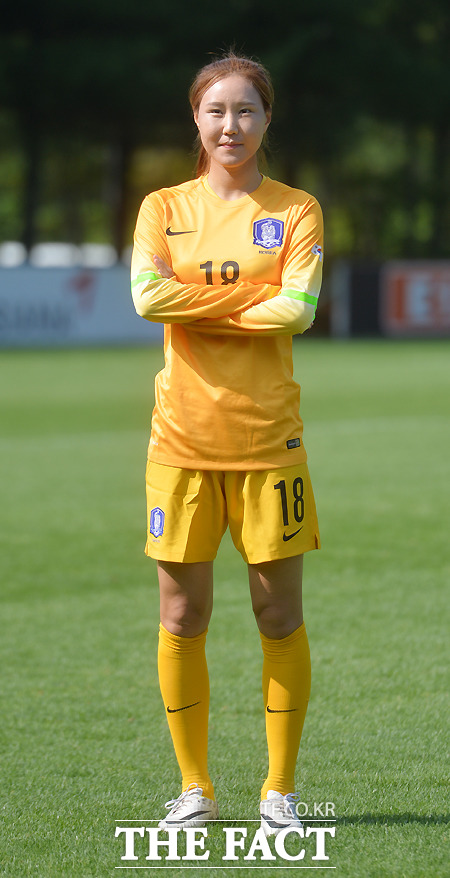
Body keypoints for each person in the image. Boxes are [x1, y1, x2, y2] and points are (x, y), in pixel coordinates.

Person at [130, 52, 323, 836]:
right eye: (216, 111)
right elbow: (147, 297)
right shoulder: (162, 207)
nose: (230, 126)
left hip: (269, 443)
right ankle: (195, 788)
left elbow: (299, 309)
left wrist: (200, 301)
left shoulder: (297, 209)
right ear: (196, 118)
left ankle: (279, 792)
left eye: (246, 110)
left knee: (278, 614)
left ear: (267, 118)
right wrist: (251, 293)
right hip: (180, 443)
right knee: (182, 614)